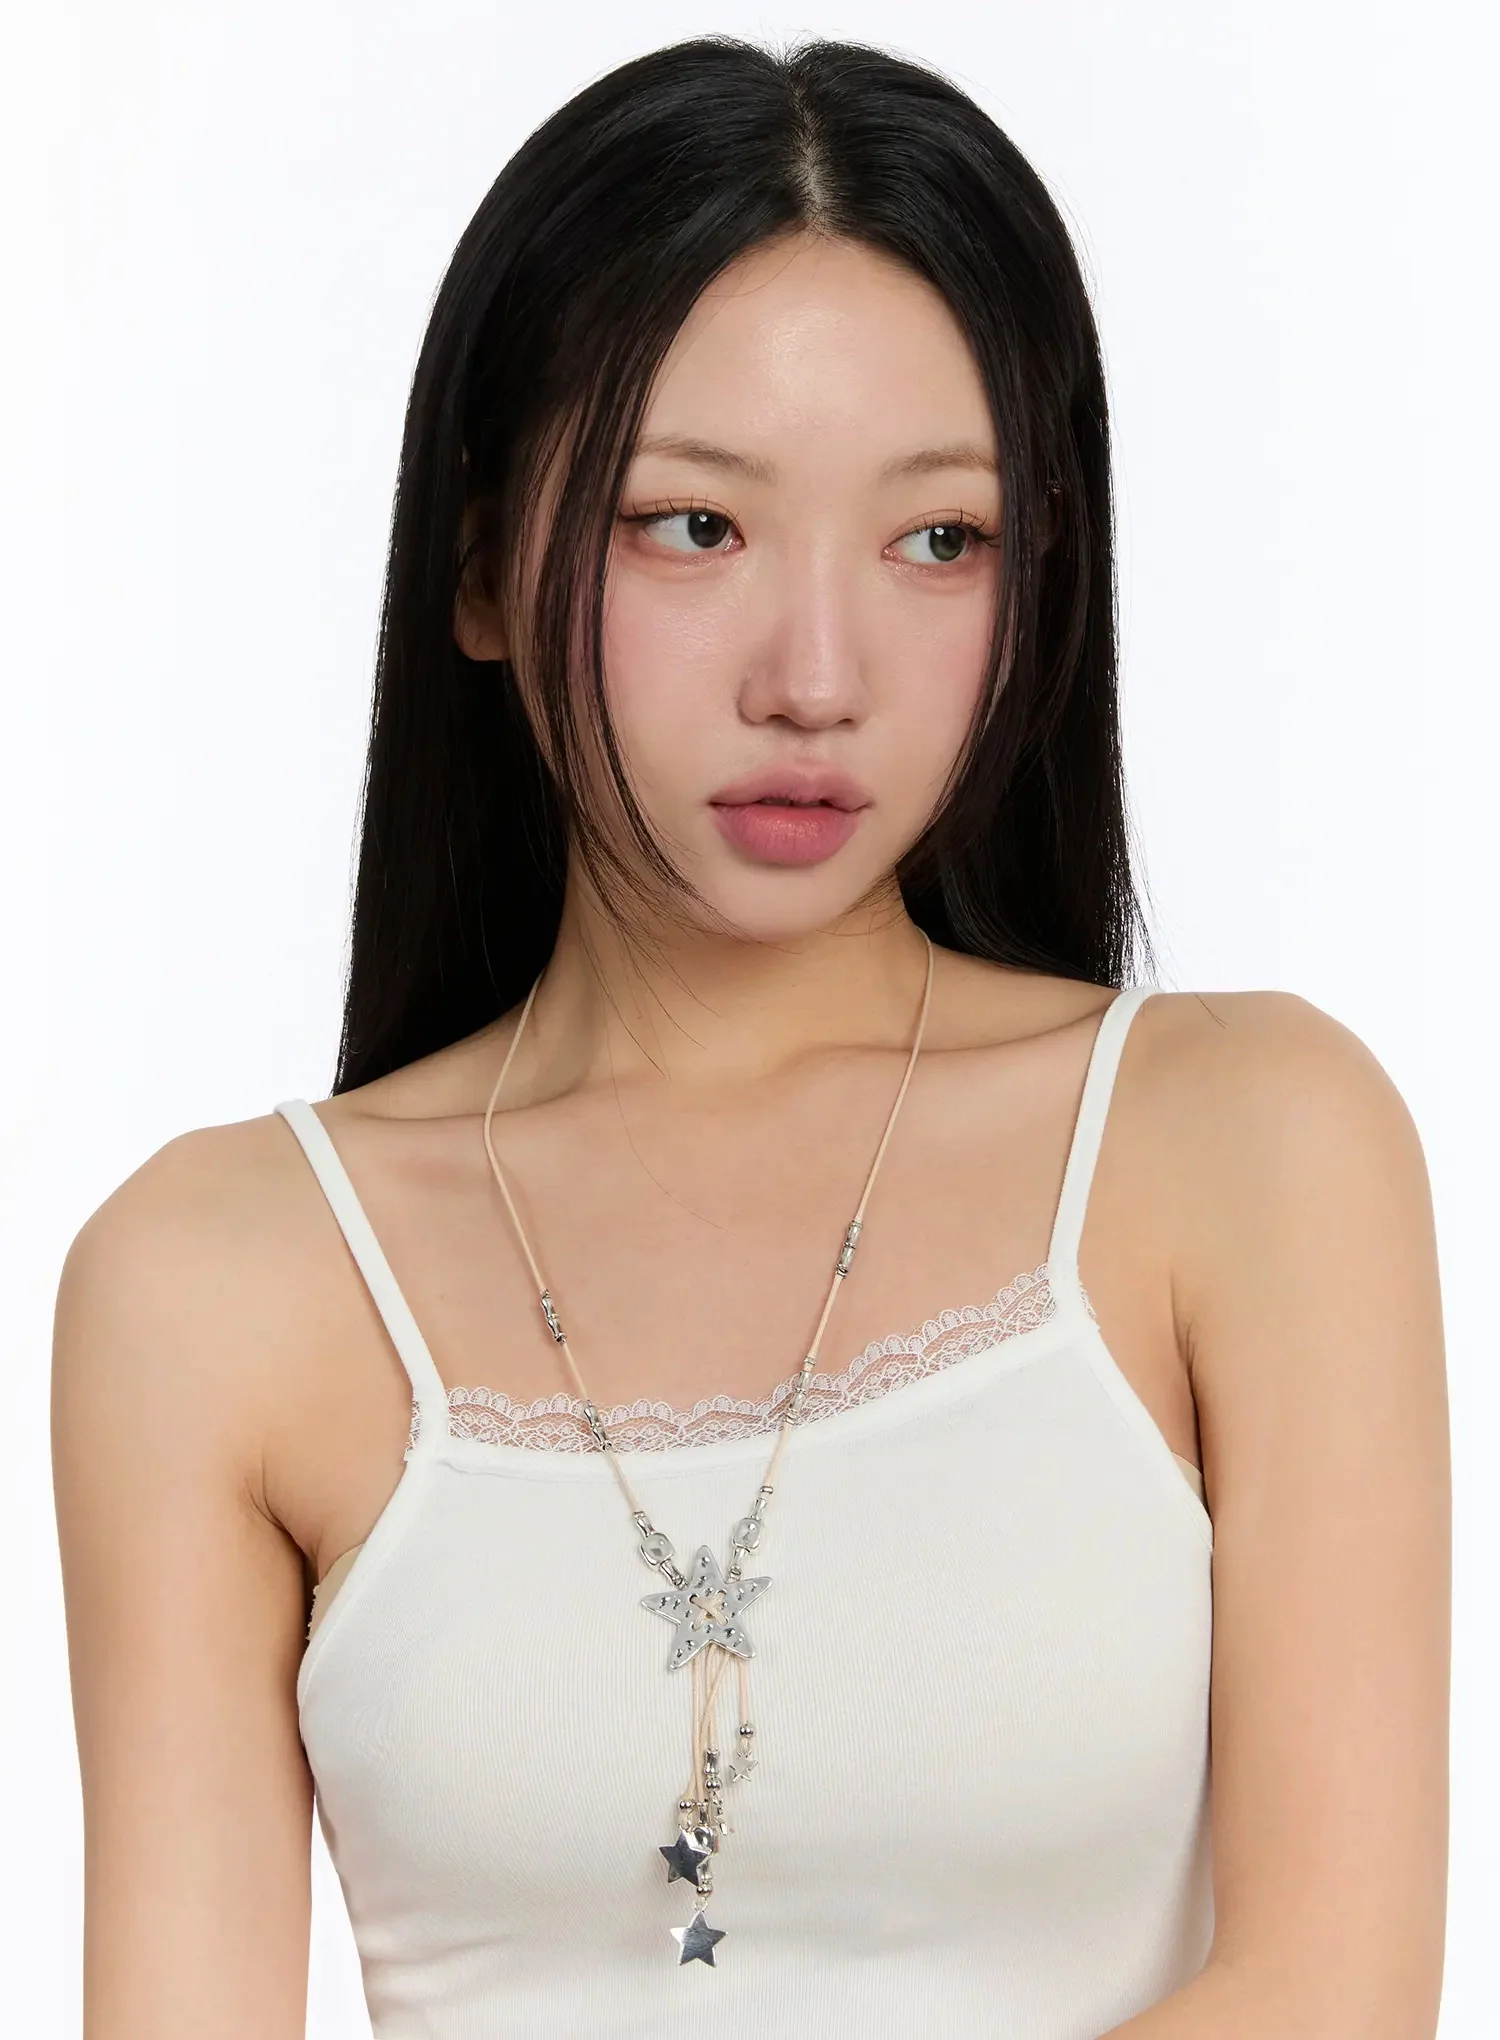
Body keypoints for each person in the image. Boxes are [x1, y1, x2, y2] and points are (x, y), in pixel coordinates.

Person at [51, 33, 1450, 2040]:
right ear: (477, 562)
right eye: (692, 526)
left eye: (940, 539)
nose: (817, 675)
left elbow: (1336, 1991)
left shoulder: (1247, 1147)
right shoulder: (213, 1285)